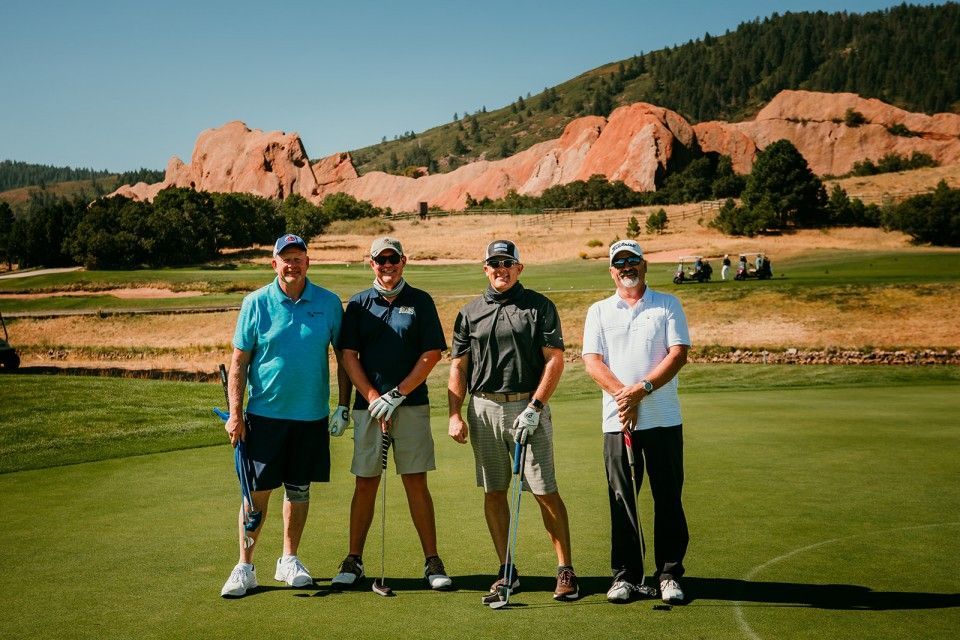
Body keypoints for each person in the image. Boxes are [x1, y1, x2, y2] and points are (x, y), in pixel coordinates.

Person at [448, 239, 579, 604]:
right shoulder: (470, 312)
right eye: (494, 263)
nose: (500, 269)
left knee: (543, 490)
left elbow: (554, 359)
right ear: (485, 269)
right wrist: (455, 414)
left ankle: (565, 569)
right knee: (494, 491)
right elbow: (458, 366)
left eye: (507, 263)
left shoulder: (538, 306)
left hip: (528, 407)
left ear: (519, 268)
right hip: (484, 409)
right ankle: (507, 569)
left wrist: (535, 407)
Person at [221, 233, 351, 597]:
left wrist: (343, 404)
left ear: (308, 262)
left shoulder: (327, 303)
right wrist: (235, 414)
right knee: (256, 494)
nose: (292, 264)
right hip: (264, 416)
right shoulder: (256, 303)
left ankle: (288, 560)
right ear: (273, 263)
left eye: (298, 258)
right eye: (285, 258)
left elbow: (343, 357)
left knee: (298, 489)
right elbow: (239, 362)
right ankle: (245, 566)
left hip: (310, 416)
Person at [330, 237, 452, 591]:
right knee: (365, 482)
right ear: (371, 264)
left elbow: (431, 354)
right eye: (380, 260)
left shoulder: (420, 301)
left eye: (393, 258)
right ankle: (353, 560)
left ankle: (432, 562)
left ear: (403, 261)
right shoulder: (357, 305)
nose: (387, 265)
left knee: (415, 481)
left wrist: (397, 395)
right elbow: (348, 357)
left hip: (411, 405)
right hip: (369, 409)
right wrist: (372, 398)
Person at [581, 239, 691, 605]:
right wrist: (622, 396)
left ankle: (669, 574)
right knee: (621, 499)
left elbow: (678, 354)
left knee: (668, 499)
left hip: (662, 420)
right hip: (617, 422)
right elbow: (593, 362)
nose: (626, 267)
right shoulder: (599, 310)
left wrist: (641, 390)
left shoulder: (667, 304)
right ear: (611, 270)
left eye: (632, 261)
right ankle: (625, 576)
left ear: (644, 265)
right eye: (619, 263)